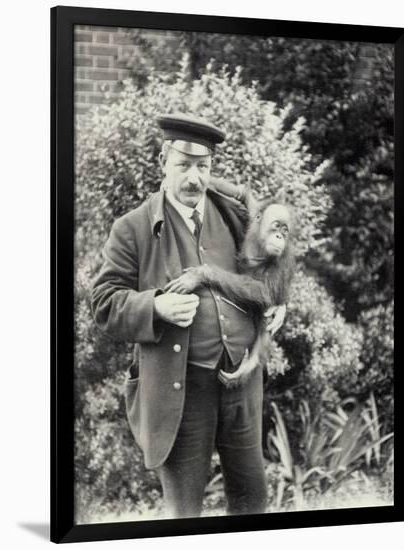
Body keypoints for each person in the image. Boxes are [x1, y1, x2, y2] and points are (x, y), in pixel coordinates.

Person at [91, 113, 284, 519]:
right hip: (181, 392)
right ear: (164, 162)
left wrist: (278, 301)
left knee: (253, 503)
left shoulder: (232, 213)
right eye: (183, 165)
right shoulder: (133, 228)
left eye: (203, 166)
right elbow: (105, 303)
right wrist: (156, 306)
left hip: (242, 386)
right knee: (185, 517)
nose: (194, 177)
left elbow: (265, 265)